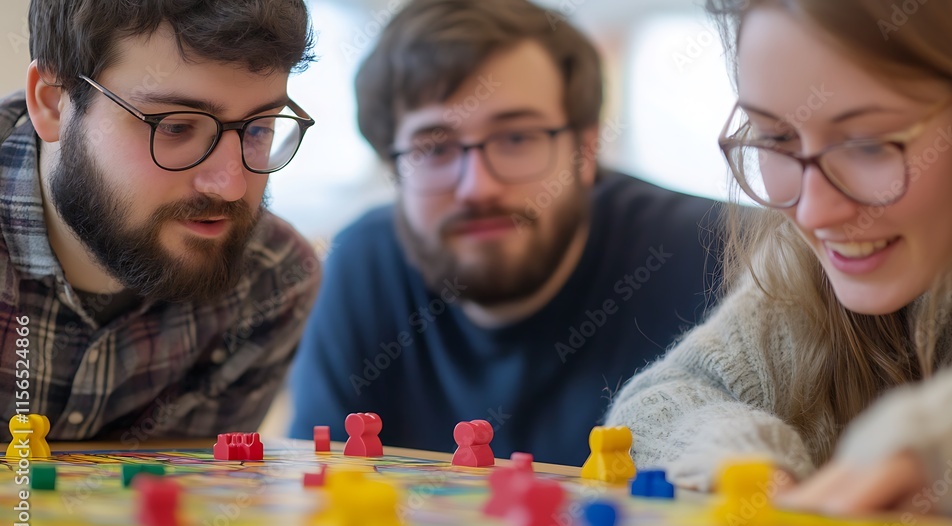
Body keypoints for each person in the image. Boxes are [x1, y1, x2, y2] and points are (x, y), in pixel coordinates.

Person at [608, 0, 952, 522]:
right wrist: (748, 464)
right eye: (774, 138)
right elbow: (660, 404)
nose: (813, 211)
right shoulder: (799, 264)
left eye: (867, 144)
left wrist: (951, 444)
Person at [288, 0, 724, 466]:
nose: (478, 187)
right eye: (434, 148)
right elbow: (316, 492)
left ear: (587, 149)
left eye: (516, 138)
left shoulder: (721, 256)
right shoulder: (362, 267)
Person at [0, 0, 321, 441]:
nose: (228, 187)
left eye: (258, 129)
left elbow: (177, 502)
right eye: (174, 126)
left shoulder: (272, 281)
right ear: (53, 103)